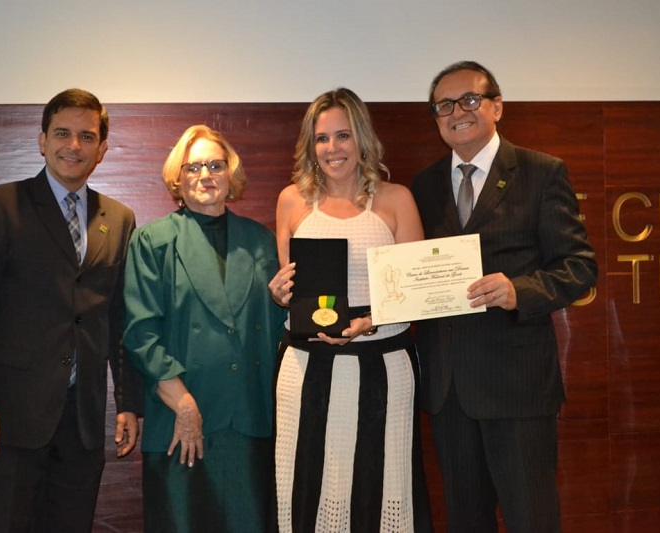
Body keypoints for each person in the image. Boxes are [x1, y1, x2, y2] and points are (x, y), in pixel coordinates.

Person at [411, 61, 598, 533]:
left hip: (517, 386)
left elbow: (579, 267)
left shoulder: (541, 172)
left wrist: (520, 291)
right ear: (435, 118)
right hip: (449, 389)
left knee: (531, 518)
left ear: (497, 106)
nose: (458, 112)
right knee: (465, 521)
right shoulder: (424, 185)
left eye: (470, 100)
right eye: (445, 105)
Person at [0, 88, 142, 532]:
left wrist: (128, 403)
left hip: (82, 419)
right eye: (62, 133)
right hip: (10, 416)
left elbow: (118, 318)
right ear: (42, 140)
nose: (73, 146)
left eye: (86, 136)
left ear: (101, 149)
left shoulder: (118, 218)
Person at [268, 88, 433, 533]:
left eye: (343, 135)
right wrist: (281, 292)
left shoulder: (397, 199)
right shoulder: (291, 200)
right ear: (310, 145)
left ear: (362, 139)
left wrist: (371, 321)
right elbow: (292, 288)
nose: (332, 148)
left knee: (383, 481)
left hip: (383, 366)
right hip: (305, 369)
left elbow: (415, 291)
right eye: (321, 138)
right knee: (304, 480)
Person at [123, 125, 286, 532]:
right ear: (177, 178)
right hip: (181, 420)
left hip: (249, 420)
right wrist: (184, 404)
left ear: (231, 175)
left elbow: (277, 328)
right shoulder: (152, 241)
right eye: (193, 167)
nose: (205, 175)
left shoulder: (261, 241)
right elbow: (140, 333)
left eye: (216, 165)